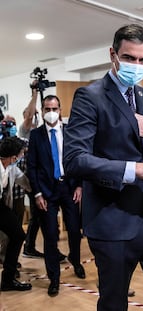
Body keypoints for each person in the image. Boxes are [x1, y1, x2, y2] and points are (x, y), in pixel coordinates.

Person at [63, 24, 143, 311]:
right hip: (112, 221)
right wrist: (135, 169)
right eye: (130, 58)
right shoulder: (90, 97)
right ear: (113, 55)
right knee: (114, 304)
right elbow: (74, 160)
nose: (138, 66)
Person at [26, 95, 85, 297]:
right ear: (42, 111)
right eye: (47, 108)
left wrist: (79, 186)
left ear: (60, 110)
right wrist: (37, 193)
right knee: (50, 236)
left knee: (75, 232)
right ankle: (54, 279)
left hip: (68, 188)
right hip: (47, 193)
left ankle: (76, 261)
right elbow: (31, 167)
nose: (51, 112)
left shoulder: (70, 132)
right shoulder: (35, 136)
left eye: (55, 108)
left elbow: (77, 160)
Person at [0, 136, 32, 291]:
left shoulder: (11, 167)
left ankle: (8, 280)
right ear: (14, 157)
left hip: (0, 207)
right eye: (21, 154)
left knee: (18, 235)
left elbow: (23, 180)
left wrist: (39, 192)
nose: (22, 156)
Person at [19, 80, 44, 259]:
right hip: (28, 178)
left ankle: (30, 246)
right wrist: (34, 94)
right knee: (36, 214)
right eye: (31, 114)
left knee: (38, 215)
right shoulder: (24, 130)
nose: (33, 115)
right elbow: (28, 115)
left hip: (40, 177)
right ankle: (28, 247)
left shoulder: (39, 132)